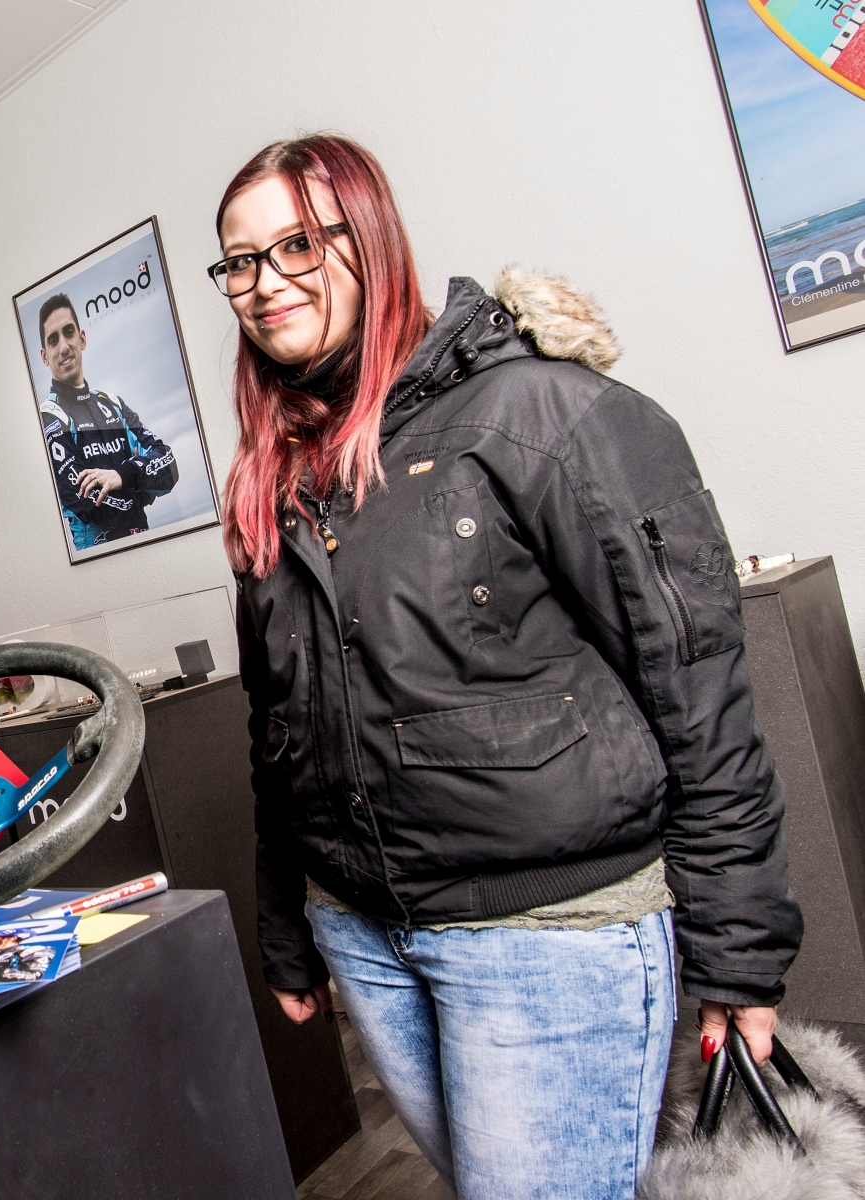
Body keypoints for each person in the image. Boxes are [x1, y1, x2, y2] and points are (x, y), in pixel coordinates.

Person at [214, 135, 801, 1200]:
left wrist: (739, 945)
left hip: (547, 938)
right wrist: (287, 930)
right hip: (369, 937)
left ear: (372, 236)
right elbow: (279, 736)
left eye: (299, 241)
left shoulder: (538, 413)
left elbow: (699, 686)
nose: (265, 281)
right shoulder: (281, 479)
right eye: (240, 261)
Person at [35, 294, 179, 549]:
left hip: (148, 549)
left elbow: (169, 467)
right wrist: (144, 489)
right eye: (53, 339)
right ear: (45, 356)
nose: (64, 347)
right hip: (100, 566)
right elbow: (92, 506)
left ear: (82, 339)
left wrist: (123, 475)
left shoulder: (113, 404)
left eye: (69, 333)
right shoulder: (50, 416)